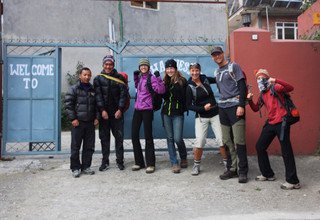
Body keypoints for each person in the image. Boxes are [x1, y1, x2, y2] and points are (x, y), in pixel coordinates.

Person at [247, 69, 300, 190]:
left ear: (267, 78)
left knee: (286, 151)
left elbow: (290, 88)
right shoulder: (263, 94)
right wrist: (249, 100)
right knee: (260, 146)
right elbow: (256, 109)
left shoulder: (275, 87)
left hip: (282, 122)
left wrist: (276, 80)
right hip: (271, 123)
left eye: (262, 78)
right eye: (258, 78)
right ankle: (267, 174)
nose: (260, 80)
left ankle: (293, 181)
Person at [211, 46, 249, 183]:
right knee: (227, 140)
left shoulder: (234, 67)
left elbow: (242, 86)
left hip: (235, 107)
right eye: (214, 55)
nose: (217, 57)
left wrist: (241, 105)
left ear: (223, 54)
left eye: (219, 54)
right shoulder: (216, 71)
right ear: (212, 57)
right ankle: (232, 169)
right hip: (223, 108)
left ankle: (243, 171)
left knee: (239, 141)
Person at [186, 63, 225, 176]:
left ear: (200, 70)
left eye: (197, 70)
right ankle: (196, 165)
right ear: (190, 71)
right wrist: (202, 108)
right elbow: (188, 105)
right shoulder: (189, 86)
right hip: (201, 116)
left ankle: (227, 163)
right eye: (192, 71)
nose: (195, 73)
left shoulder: (205, 79)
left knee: (221, 139)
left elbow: (219, 80)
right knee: (200, 141)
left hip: (215, 114)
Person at [94, 55, 128, 171]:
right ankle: (105, 161)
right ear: (103, 65)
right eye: (106, 64)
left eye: (110, 64)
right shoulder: (98, 79)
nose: (108, 66)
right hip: (104, 115)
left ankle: (120, 161)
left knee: (119, 138)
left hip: (117, 113)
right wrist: (102, 110)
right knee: (104, 138)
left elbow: (123, 95)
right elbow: (97, 96)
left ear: (113, 65)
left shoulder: (119, 78)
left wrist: (120, 109)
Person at [131, 58, 166, 174]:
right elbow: (138, 88)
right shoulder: (140, 77)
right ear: (139, 67)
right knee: (134, 135)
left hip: (147, 110)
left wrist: (159, 78)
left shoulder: (152, 78)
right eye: (141, 66)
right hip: (137, 109)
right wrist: (136, 77)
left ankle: (150, 164)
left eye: (145, 65)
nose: (143, 67)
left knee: (148, 137)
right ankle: (139, 162)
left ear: (148, 67)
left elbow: (161, 90)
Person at [65, 67, 98, 178]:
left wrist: (97, 117)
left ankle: (86, 167)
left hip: (90, 123)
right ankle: (75, 168)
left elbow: (97, 105)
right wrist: (73, 119)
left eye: (89, 75)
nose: (87, 77)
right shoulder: (74, 89)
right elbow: (68, 105)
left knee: (89, 147)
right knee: (75, 147)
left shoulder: (93, 89)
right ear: (80, 75)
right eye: (85, 75)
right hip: (78, 123)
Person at [161, 59, 188, 174]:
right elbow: (163, 96)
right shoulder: (164, 81)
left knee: (177, 138)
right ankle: (174, 162)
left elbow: (183, 96)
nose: (170, 70)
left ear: (176, 69)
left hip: (177, 113)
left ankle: (183, 157)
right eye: (168, 68)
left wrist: (176, 84)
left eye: (172, 68)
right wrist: (162, 85)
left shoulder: (182, 81)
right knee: (170, 139)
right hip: (166, 113)